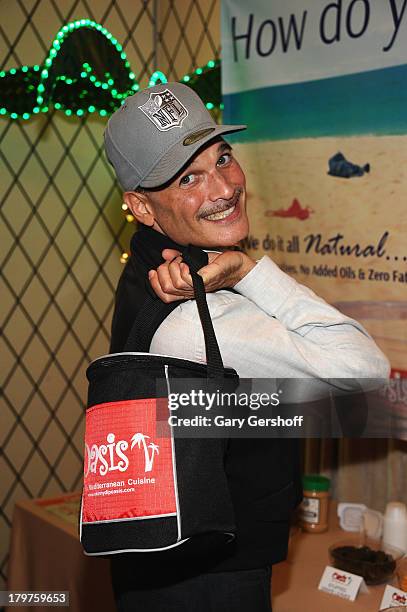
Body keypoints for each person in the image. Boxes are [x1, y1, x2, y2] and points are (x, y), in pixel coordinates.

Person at [104, 82, 390, 611]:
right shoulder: (201, 318)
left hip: (166, 565)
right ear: (141, 207)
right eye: (189, 178)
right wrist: (256, 271)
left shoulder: (154, 270)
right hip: (210, 579)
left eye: (224, 158)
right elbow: (366, 371)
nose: (224, 187)